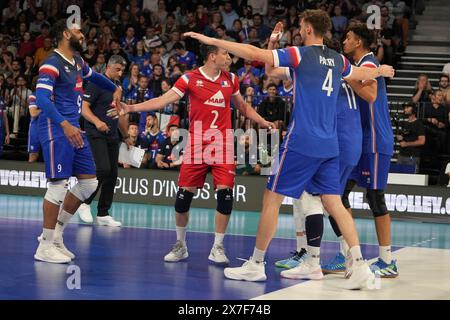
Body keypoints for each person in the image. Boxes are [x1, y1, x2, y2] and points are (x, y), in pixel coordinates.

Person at [184, 9, 394, 289]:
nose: (299, 30)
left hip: (302, 141)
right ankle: (359, 266)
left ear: (308, 29)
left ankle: (256, 264)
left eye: (301, 27)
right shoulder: (337, 60)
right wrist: (381, 70)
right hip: (330, 145)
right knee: (334, 202)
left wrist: (215, 41)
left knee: (271, 198)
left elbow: (253, 53)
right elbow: (361, 73)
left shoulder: (300, 54)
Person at [117, 44, 275, 265]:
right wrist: (132, 109)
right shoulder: (189, 78)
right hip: (197, 143)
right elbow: (163, 100)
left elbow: (243, 107)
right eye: (225, 53)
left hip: (222, 144)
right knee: (183, 199)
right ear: (212, 57)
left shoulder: (231, 79)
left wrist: (262, 121)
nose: (229, 57)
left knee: (226, 196)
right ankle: (180, 245)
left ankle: (217, 247)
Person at [34, 19, 122, 264]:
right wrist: (64, 124)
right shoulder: (51, 63)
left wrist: (115, 88)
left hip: (74, 130)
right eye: (78, 32)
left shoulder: (79, 62)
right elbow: (41, 99)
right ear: (65, 34)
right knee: (58, 185)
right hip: (57, 129)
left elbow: (98, 78)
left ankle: (57, 236)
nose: (82, 35)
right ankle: (45, 244)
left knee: (88, 184)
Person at [324, 22, 398, 278]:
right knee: (337, 195)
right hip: (357, 139)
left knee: (375, 198)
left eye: (348, 37)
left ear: (358, 42)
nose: (344, 41)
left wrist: (346, 73)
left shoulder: (367, 63)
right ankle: (347, 253)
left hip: (375, 140)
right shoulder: (362, 65)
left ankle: (387, 259)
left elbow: (371, 94)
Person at [78, 55, 128, 227]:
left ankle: (103, 213)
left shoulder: (118, 87)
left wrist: (127, 136)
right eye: (118, 69)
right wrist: (98, 122)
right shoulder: (97, 83)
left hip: (113, 135)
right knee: (103, 169)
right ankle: (84, 203)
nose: (120, 73)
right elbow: (84, 109)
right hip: (95, 133)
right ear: (108, 66)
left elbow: (119, 112)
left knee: (113, 175)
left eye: (122, 70)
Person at [396, 102, 425, 173]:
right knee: (397, 179)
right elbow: (401, 139)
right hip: (401, 155)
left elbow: (422, 141)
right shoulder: (404, 123)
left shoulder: (419, 124)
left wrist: (406, 144)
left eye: (407, 107)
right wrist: (399, 138)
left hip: (412, 156)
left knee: (411, 179)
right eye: (404, 108)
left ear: (414, 109)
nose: (405, 109)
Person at [28, 93, 41, 162]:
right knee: (33, 155)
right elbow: (33, 113)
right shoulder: (34, 95)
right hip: (36, 127)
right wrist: (48, 107)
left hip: (51, 127)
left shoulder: (56, 96)